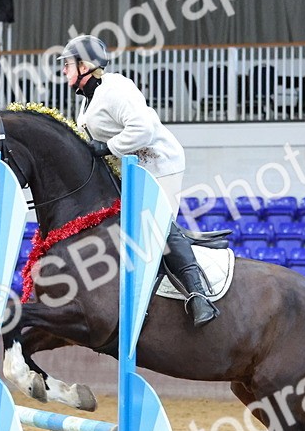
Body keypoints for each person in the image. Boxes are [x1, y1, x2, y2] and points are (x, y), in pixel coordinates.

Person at [58, 34, 218, 328]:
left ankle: (198, 295)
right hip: (131, 171)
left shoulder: (116, 89)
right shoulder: (88, 102)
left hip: (159, 164)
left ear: (85, 66)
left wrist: (107, 147)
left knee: (156, 226)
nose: (64, 70)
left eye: (68, 64)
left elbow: (143, 129)